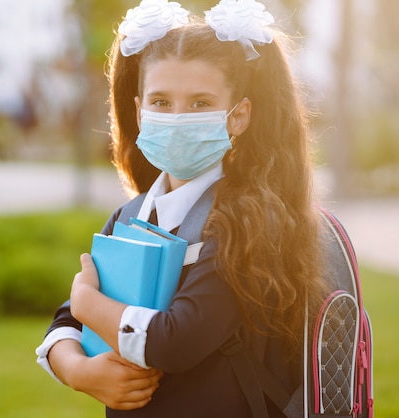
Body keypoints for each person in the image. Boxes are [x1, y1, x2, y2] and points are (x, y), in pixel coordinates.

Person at [36, 0, 328, 416]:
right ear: (139, 112)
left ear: (238, 116)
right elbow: (67, 322)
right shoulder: (130, 215)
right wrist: (78, 372)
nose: (177, 118)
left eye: (199, 103)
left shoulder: (250, 220)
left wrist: (90, 305)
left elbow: (174, 342)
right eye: (161, 102)